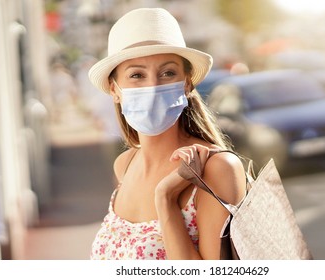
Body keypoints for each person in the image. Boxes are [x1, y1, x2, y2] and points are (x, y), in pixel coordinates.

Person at [88, 7, 246, 260]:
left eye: (168, 73)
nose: (153, 86)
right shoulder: (125, 165)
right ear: (114, 90)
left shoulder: (215, 169)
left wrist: (165, 198)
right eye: (137, 75)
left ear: (187, 83)